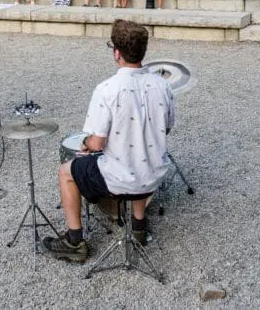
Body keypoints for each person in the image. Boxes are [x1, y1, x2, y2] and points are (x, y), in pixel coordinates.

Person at [43, 19, 176, 264]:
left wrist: (85, 141)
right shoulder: (163, 86)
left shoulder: (107, 89)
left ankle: (74, 241)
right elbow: (166, 128)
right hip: (153, 174)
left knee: (66, 172)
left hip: (122, 178)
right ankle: (138, 226)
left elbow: (97, 143)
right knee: (137, 155)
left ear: (116, 52)